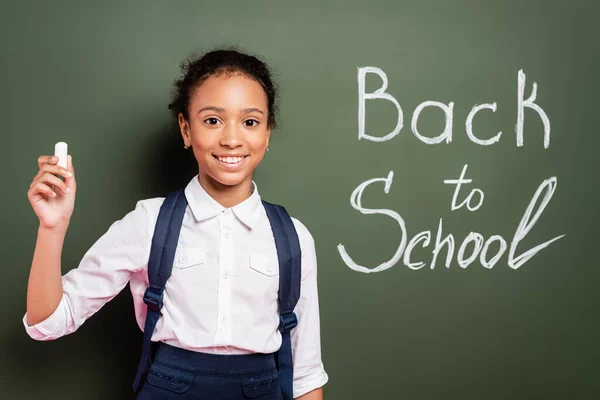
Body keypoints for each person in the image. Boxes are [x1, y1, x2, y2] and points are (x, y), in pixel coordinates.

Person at [23, 48, 328, 399]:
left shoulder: (293, 237)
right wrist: (52, 227)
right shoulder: (148, 223)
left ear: (267, 132)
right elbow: (48, 321)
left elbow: (305, 373)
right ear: (186, 128)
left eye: (250, 121)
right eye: (212, 120)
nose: (231, 138)